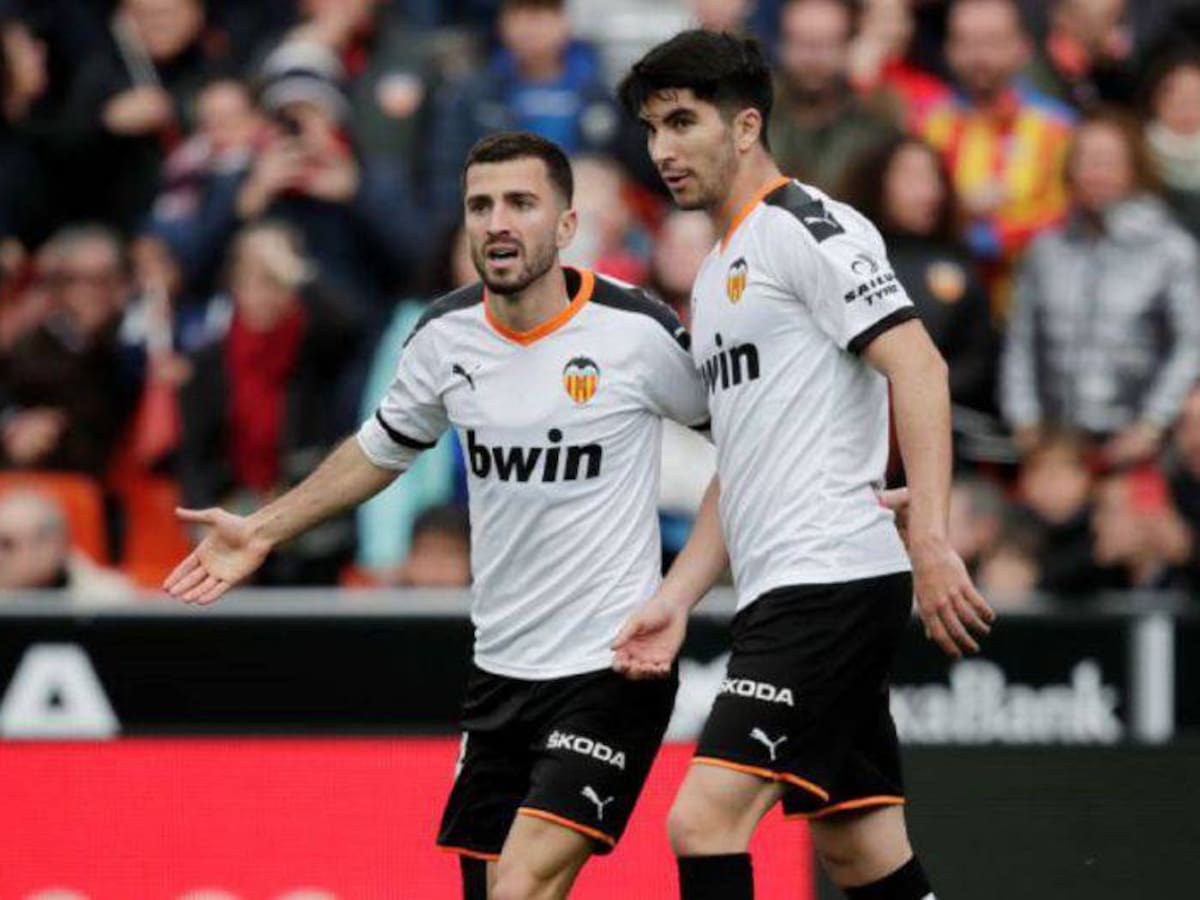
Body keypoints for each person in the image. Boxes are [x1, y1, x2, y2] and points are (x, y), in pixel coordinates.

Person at [164, 131, 712, 900]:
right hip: (501, 670)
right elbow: (380, 449)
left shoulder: (636, 332)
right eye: (480, 206)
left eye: (520, 203)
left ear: (565, 224)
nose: (497, 222)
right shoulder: (443, 335)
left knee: (522, 880)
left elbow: (748, 446)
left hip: (611, 666)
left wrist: (679, 594)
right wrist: (261, 529)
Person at [614, 29, 994, 900]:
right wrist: (677, 597)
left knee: (702, 822)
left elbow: (919, 365)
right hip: (785, 585)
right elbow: (741, 461)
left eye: (683, 121)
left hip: (829, 578)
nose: (663, 149)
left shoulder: (804, 226)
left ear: (746, 126)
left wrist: (931, 538)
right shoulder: (716, 271)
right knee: (860, 847)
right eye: (652, 128)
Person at [999, 109, 1200, 467]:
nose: (1095, 173)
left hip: (1142, 443)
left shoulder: (1172, 250)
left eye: (1108, 162)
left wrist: (1152, 424)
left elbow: (1191, 343)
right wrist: (1024, 419)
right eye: (1085, 161)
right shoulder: (1045, 249)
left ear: (1135, 169)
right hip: (1055, 444)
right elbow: (1022, 340)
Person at [921, 0, 1076, 300]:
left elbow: (1067, 218)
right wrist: (961, 209)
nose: (979, 56)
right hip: (946, 300)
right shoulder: (929, 126)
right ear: (948, 50)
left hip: (1038, 300)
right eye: (965, 42)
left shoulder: (1058, 129)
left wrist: (989, 236)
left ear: (1023, 48)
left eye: (993, 41)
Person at [768, 0, 901, 194]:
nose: (812, 58)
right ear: (782, 45)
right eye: (801, 43)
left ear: (847, 46)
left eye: (826, 44)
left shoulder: (876, 125)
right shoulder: (755, 117)